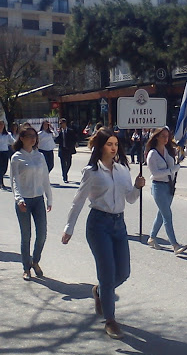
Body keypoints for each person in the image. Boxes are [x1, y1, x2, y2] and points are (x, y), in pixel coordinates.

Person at [61, 128, 145, 340]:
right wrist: (68, 228)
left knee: (123, 272)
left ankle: (100, 292)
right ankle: (110, 320)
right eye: (109, 144)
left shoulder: (123, 169)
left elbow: (131, 199)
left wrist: (137, 186)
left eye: (116, 144)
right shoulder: (92, 172)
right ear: (100, 147)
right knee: (107, 274)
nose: (114, 148)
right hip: (99, 225)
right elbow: (78, 200)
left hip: (119, 224)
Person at [10, 126, 52, 280]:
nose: (33, 139)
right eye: (29, 136)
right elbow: (14, 181)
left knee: (42, 234)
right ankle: (26, 268)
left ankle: (35, 261)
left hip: (38, 199)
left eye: (34, 136)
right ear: (22, 138)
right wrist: (19, 199)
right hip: (24, 201)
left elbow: (45, 178)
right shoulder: (16, 157)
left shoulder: (39, 156)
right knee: (26, 235)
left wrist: (49, 198)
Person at [145, 127, 187, 254]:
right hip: (158, 187)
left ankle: (152, 238)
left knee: (161, 214)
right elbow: (155, 173)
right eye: (163, 136)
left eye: (167, 136)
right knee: (167, 215)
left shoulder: (168, 150)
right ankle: (175, 245)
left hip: (169, 186)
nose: (166, 138)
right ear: (157, 137)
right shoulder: (152, 154)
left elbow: (185, 154)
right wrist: (172, 170)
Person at [0, 120, 14, 188]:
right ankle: (0, 181)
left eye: (2, 124)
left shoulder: (7, 134)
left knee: (4, 167)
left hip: (5, 151)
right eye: (0, 124)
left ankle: (0, 177)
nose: (1, 126)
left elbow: (12, 141)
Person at [55, 118, 77, 183]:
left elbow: (74, 139)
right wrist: (57, 133)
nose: (61, 125)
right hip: (62, 150)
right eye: (60, 124)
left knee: (69, 163)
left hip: (68, 150)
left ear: (65, 123)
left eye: (61, 123)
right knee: (63, 164)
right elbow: (56, 141)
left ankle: (65, 172)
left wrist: (74, 145)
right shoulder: (59, 132)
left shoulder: (70, 131)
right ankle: (65, 177)